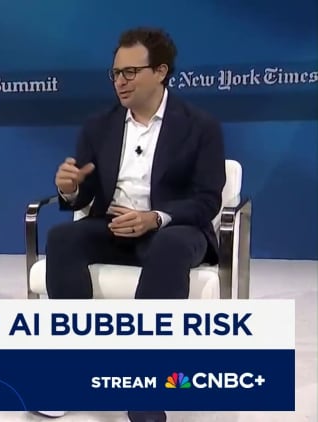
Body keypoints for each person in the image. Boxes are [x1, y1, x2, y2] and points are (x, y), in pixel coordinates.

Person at [39, 28, 225, 422]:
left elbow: (208, 199)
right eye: (115, 74)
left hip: (174, 230)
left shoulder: (200, 126)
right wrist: (71, 189)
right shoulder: (99, 126)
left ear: (160, 72)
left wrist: (155, 218)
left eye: (130, 72)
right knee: (62, 238)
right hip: (113, 227)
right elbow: (85, 195)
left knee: (169, 246)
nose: (120, 82)